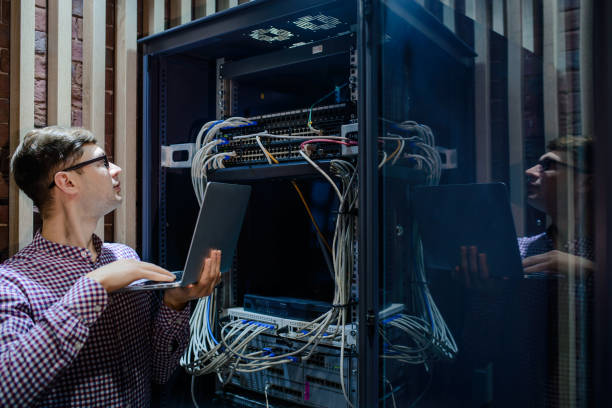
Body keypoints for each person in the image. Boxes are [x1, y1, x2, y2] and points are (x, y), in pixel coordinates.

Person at [0, 126, 221, 407]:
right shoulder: (11, 282)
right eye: (103, 163)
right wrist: (94, 286)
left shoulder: (123, 256)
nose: (116, 170)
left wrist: (175, 303)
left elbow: (160, 372)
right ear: (67, 182)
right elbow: (6, 391)